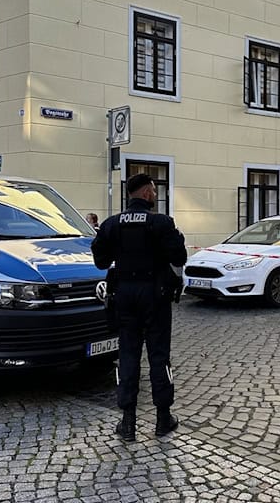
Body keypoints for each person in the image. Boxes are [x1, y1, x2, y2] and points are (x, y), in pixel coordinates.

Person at [91, 174, 188, 441]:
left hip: (124, 295)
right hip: (155, 296)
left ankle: (128, 422)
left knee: (128, 356)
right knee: (159, 356)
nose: (155, 195)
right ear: (146, 194)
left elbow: (100, 260)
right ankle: (162, 419)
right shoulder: (160, 223)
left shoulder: (112, 224)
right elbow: (179, 256)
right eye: (154, 191)